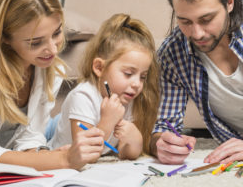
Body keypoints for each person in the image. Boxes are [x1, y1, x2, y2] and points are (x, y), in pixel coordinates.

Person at [0, 0, 104, 170]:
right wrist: (63, 160)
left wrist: (46, 155)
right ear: (4, 37)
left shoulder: (48, 68)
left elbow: (30, 137)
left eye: (57, 33)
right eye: (36, 42)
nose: (53, 50)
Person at [150, 0, 243, 165]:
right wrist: (162, 144)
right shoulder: (171, 54)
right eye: (185, 21)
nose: (197, 34)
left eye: (207, 19)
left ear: (230, 1)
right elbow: (163, 127)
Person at [48, 13, 160, 160]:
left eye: (142, 76)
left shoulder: (127, 97)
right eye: (128, 73)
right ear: (99, 68)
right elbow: (85, 155)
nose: (137, 84)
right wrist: (107, 122)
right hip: (61, 152)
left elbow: (128, 154)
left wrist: (135, 139)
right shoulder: (83, 97)